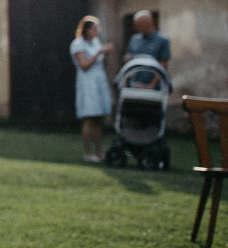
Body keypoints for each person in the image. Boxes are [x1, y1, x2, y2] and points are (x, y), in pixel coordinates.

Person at [71, 15, 114, 162]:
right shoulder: (78, 44)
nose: (97, 31)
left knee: (98, 118)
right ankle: (89, 153)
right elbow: (84, 65)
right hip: (88, 82)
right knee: (90, 117)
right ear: (87, 30)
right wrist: (99, 53)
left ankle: (100, 152)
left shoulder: (96, 42)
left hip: (99, 81)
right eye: (95, 28)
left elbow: (103, 64)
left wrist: (105, 54)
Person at [122, 10, 171, 86]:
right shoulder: (134, 39)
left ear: (149, 23)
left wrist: (152, 85)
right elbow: (128, 56)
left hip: (155, 85)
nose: (136, 28)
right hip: (136, 83)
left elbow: (163, 64)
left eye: (139, 25)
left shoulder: (162, 40)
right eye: (136, 25)